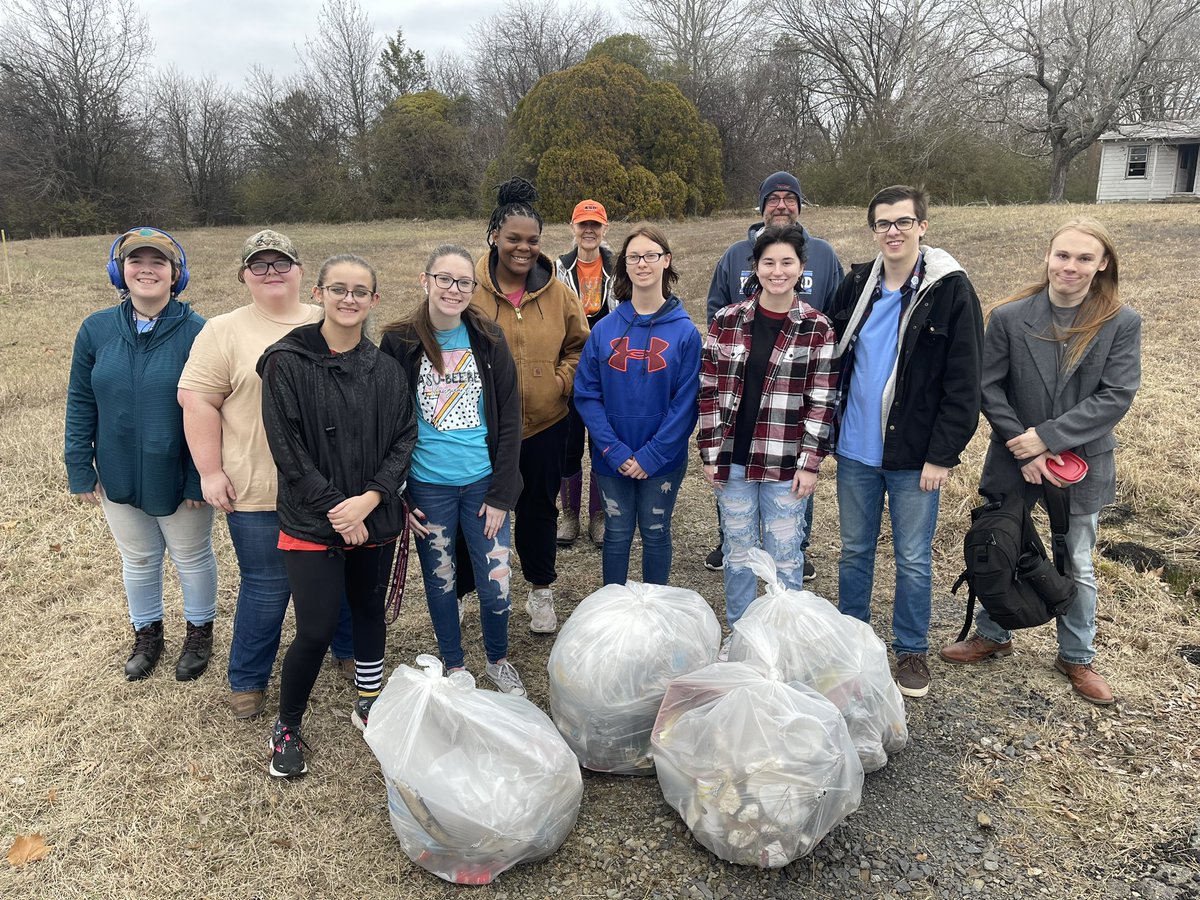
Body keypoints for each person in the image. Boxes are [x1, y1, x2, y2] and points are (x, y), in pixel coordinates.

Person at [940, 219, 1140, 706]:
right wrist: (1021, 445)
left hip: (1081, 460)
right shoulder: (1009, 317)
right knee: (999, 545)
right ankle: (994, 632)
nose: (1070, 266)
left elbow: (1116, 395)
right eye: (1062, 255)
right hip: (1014, 458)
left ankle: (1076, 654)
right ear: (1048, 258)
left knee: (1077, 560)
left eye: (1084, 258)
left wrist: (1048, 441)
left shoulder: (1121, 322)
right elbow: (989, 387)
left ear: (1102, 264)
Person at [179, 230, 357, 720]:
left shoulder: (331, 321)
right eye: (259, 265)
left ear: (303, 273)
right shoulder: (222, 330)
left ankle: (348, 651)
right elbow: (197, 400)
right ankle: (249, 678)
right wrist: (210, 471)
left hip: (328, 487)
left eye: (282, 262)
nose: (272, 271)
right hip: (257, 488)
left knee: (336, 572)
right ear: (244, 276)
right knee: (266, 585)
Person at [259, 254, 416, 778]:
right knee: (317, 627)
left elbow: (402, 439)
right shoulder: (286, 362)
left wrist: (370, 500)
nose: (349, 299)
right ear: (321, 293)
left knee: (370, 612)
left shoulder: (387, 371)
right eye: (339, 289)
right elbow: (288, 449)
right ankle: (287, 724)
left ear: (374, 300)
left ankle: (368, 700)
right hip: (311, 520)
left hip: (373, 517)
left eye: (360, 291)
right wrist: (336, 509)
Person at [828, 185, 984, 700]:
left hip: (915, 455)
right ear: (874, 230)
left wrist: (942, 453)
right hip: (855, 450)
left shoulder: (950, 290)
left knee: (913, 556)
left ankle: (910, 650)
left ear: (922, 226)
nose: (892, 231)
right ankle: (853, 640)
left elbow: (964, 383)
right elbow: (832, 356)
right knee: (854, 551)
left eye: (902, 222)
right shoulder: (857, 286)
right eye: (882, 224)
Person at [66, 227, 217, 681]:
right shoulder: (95, 330)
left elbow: (212, 409)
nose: (146, 270)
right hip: (117, 472)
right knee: (138, 558)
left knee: (191, 556)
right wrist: (79, 465)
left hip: (178, 472)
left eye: (158, 263)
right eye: (136, 261)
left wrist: (199, 475)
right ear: (120, 271)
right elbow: (80, 401)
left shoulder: (200, 332)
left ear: (176, 275)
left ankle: (198, 632)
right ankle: (147, 633)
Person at [380, 245, 527, 695]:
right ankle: (455, 664)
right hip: (429, 487)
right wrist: (402, 494)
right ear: (425, 281)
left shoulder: (489, 338)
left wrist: (502, 494)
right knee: (441, 579)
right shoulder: (400, 340)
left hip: (483, 484)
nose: (454, 289)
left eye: (464, 282)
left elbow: (509, 417)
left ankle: (498, 658)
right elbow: (387, 421)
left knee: (496, 580)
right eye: (444, 279)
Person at [698, 225, 837, 652]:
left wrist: (810, 463)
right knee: (738, 557)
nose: (777, 271)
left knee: (785, 558)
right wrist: (709, 451)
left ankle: (782, 641)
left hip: (785, 465)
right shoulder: (726, 321)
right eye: (768, 263)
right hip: (734, 462)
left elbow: (822, 401)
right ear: (755, 268)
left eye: (787, 263)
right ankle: (741, 638)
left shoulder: (817, 328)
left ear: (801, 269)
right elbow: (706, 388)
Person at [703, 171, 843, 576]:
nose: (781, 204)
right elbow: (716, 311)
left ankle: (800, 542)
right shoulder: (733, 256)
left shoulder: (824, 254)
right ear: (761, 206)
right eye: (773, 198)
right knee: (738, 524)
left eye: (789, 198)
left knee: (793, 493)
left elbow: (836, 310)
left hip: (794, 394)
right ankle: (730, 541)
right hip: (741, 385)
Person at [471, 177, 590, 634]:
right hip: (482, 429)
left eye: (532, 240)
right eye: (513, 239)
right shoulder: (472, 289)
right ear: (494, 238)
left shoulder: (558, 292)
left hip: (545, 423)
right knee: (479, 512)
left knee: (540, 510)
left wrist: (561, 382)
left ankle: (540, 592)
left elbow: (581, 345)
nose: (523, 248)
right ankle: (468, 591)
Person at [574, 224, 700, 586]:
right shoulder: (604, 330)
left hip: (661, 461)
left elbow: (686, 402)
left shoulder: (685, 332)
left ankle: (653, 612)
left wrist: (651, 456)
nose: (642, 263)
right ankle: (615, 615)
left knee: (656, 532)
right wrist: (613, 450)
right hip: (613, 457)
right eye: (634, 257)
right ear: (624, 266)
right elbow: (587, 394)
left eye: (650, 255)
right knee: (616, 533)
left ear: (666, 261)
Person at [555, 199, 617, 548]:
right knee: (568, 443)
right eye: (583, 224)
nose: (589, 231)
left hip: (607, 369)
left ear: (604, 228)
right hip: (570, 363)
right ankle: (569, 516)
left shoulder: (618, 270)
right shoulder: (557, 269)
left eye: (595, 225)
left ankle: (598, 515)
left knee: (602, 443)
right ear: (573, 228)